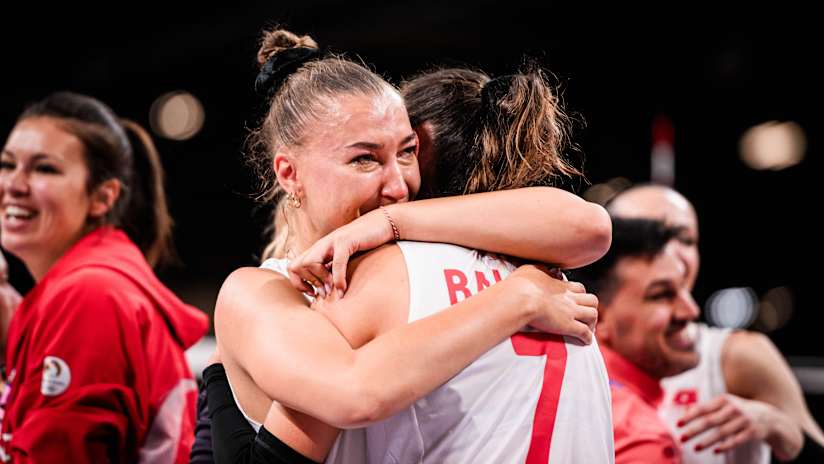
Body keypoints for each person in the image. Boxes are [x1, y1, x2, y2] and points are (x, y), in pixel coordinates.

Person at [205, 28, 613, 464]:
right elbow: (353, 393)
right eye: (364, 159)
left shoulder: (382, 277)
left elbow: (590, 225)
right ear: (289, 174)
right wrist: (518, 298)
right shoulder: (263, 292)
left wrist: (389, 223)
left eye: (407, 152)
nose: (399, 186)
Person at [0, 92, 209, 463]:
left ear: (102, 197)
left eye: (44, 168)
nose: (14, 184)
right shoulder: (84, 288)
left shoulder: (88, 295)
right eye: (7, 164)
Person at [608, 184, 823, 462]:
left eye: (684, 239)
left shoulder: (737, 355)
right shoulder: (585, 351)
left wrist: (777, 425)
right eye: (646, 238)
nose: (669, 252)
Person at [572, 216, 698, 463]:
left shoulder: (547, 381)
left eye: (685, 289)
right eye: (662, 295)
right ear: (601, 317)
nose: (690, 310)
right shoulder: (643, 439)